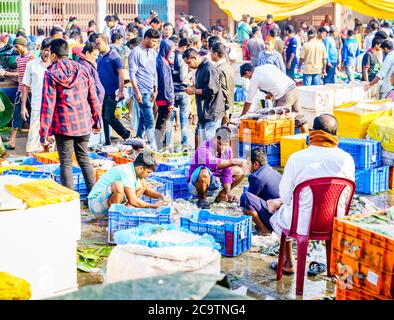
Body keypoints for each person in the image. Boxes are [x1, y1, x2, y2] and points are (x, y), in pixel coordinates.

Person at [267, 114, 355, 275]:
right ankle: (331, 269)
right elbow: (348, 197)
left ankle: (289, 264)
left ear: (313, 132)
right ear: (335, 134)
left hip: (302, 225)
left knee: (280, 213)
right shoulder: (347, 159)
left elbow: (285, 197)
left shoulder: (296, 158)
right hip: (335, 222)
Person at [40, 39, 101, 194]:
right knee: (84, 159)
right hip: (83, 123)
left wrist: (44, 133)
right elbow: (93, 97)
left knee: (66, 163)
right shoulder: (82, 69)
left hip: (63, 125)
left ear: (53, 55)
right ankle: (93, 197)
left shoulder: (51, 73)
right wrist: (97, 121)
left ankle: (70, 199)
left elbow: (47, 106)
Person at [88, 151, 165, 217]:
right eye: (148, 172)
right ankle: (116, 216)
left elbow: (145, 189)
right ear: (141, 168)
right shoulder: (127, 171)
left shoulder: (133, 170)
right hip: (95, 205)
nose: (148, 175)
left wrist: (161, 197)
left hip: (105, 202)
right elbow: (132, 200)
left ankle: (124, 212)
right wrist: (154, 206)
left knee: (143, 184)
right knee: (118, 186)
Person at [188, 127, 249, 208]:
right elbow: (210, 163)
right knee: (204, 173)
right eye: (220, 144)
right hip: (196, 186)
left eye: (225, 145)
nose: (222, 148)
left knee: (241, 171)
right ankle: (202, 199)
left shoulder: (227, 150)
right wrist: (233, 161)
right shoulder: (203, 148)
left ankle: (222, 196)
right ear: (215, 139)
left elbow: (227, 171)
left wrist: (228, 192)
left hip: (216, 182)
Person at [239, 63, 308, 134]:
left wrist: (242, 116)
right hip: (293, 87)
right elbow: (276, 80)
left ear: (248, 73)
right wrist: (272, 93)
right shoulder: (266, 66)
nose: (247, 79)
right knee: (298, 115)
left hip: (285, 94)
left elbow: (248, 101)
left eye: (246, 77)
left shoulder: (254, 78)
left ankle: (284, 140)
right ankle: (306, 136)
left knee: (279, 119)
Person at [182, 48, 225, 145]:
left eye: (189, 63)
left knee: (209, 145)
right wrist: (192, 87)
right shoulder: (199, 69)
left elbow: (211, 90)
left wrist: (193, 90)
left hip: (211, 112)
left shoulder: (209, 68)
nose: (188, 66)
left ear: (194, 57)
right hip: (203, 113)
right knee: (203, 145)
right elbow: (202, 87)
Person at [128, 29, 161, 149]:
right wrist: (137, 92)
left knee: (143, 117)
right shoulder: (135, 52)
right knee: (149, 117)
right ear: (146, 38)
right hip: (141, 90)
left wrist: (156, 87)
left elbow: (154, 71)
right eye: (153, 41)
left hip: (151, 89)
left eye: (157, 41)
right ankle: (153, 144)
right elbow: (132, 74)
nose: (155, 43)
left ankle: (138, 139)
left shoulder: (152, 51)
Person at [96, 34, 130, 145]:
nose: (97, 46)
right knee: (104, 118)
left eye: (99, 44)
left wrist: (120, 91)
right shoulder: (100, 57)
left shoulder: (115, 56)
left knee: (109, 116)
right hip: (101, 93)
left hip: (111, 93)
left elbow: (121, 75)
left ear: (106, 43)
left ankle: (125, 134)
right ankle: (107, 141)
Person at [20, 38, 52, 155]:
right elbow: (25, 86)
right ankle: (31, 157)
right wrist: (23, 107)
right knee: (34, 134)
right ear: (40, 49)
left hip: (53, 107)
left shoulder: (55, 65)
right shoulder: (31, 64)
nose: (46, 53)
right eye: (44, 49)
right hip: (37, 105)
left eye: (48, 50)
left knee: (50, 138)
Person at [240, 147, 282, 235]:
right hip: (284, 217)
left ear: (255, 164)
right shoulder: (274, 172)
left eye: (248, 163)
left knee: (245, 197)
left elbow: (248, 201)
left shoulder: (256, 177)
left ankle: (263, 230)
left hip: (274, 219)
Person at [4, 37, 35, 150]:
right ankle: (12, 141)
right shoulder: (18, 59)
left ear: (23, 46)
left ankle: (35, 142)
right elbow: (20, 74)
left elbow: (32, 75)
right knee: (16, 114)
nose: (16, 49)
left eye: (17, 47)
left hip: (31, 91)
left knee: (34, 116)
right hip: (21, 90)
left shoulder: (31, 57)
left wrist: (6, 73)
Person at [165, 37, 192, 151]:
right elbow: (183, 77)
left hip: (172, 92)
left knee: (170, 119)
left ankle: (167, 144)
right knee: (184, 119)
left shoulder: (170, 56)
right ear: (185, 47)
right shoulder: (183, 59)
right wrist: (190, 76)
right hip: (182, 91)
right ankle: (185, 144)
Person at [155, 39, 175, 150]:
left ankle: (160, 145)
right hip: (165, 98)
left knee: (161, 122)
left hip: (162, 97)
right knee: (162, 123)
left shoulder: (161, 60)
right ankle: (160, 146)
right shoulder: (162, 63)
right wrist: (170, 101)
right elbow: (166, 83)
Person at [211, 43, 235, 125]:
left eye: (211, 52)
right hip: (230, 106)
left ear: (215, 54)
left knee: (219, 135)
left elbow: (223, 92)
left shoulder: (218, 70)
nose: (210, 55)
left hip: (223, 109)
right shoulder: (229, 67)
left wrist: (226, 111)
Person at [78, 42, 105, 107]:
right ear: (87, 53)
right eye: (94, 55)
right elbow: (90, 86)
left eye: (97, 55)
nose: (96, 58)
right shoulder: (84, 66)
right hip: (91, 103)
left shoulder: (89, 64)